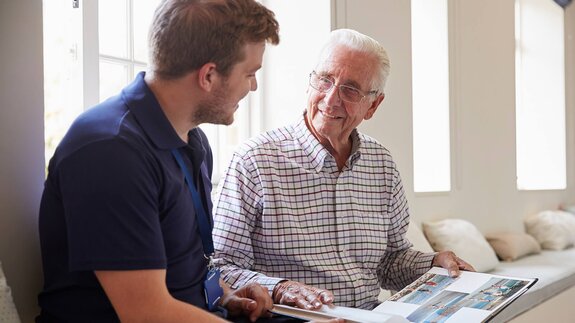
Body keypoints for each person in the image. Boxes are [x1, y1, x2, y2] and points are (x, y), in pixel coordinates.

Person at [36, 1, 291, 322]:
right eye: (250, 73)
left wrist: (225, 295)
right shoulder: (109, 151)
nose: (252, 86)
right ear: (209, 75)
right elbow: (146, 313)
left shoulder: (192, 140)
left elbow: (183, 268)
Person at [212, 28, 475, 311]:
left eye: (350, 89)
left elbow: (389, 262)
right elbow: (220, 268)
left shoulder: (382, 165)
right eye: (324, 80)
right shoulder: (253, 161)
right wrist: (280, 288)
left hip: (371, 316)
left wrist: (433, 263)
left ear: (373, 105)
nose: (330, 99)